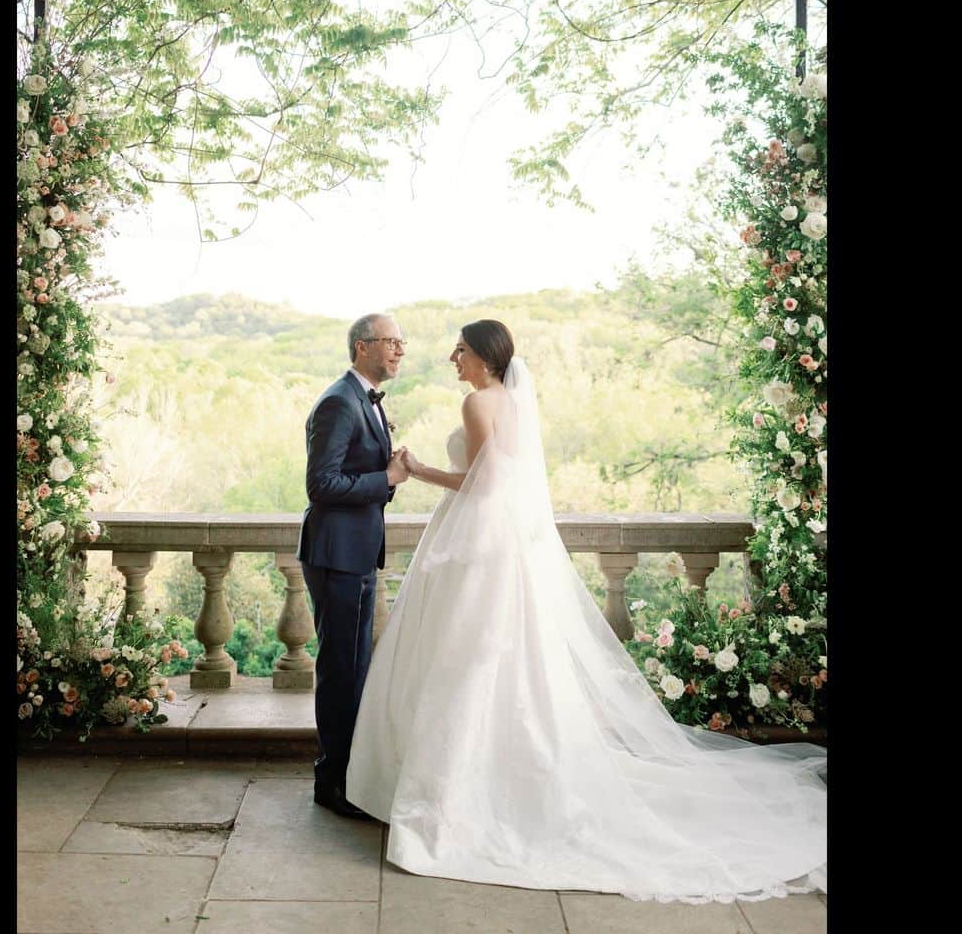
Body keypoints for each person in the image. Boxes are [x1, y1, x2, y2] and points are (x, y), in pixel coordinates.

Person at [346, 319, 827, 904]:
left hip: (473, 544)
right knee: (498, 661)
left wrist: (417, 470)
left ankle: (457, 793)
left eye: (462, 350)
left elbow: (479, 484)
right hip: (503, 547)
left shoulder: (478, 406)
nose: (453, 357)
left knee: (461, 660)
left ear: (486, 357)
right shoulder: (512, 404)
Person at [296, 313, 410, 818]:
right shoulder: (340, 402)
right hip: (335, 555)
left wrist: (386, 469)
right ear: (362, 347)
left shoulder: (362, 398)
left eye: (402, 343)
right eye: (390, 342)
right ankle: (332, 783)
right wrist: (386, 478)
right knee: (341, 671)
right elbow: (321, 485)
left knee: (356, 670)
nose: (399, 351)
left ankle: (351, 777)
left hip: (356, 553)